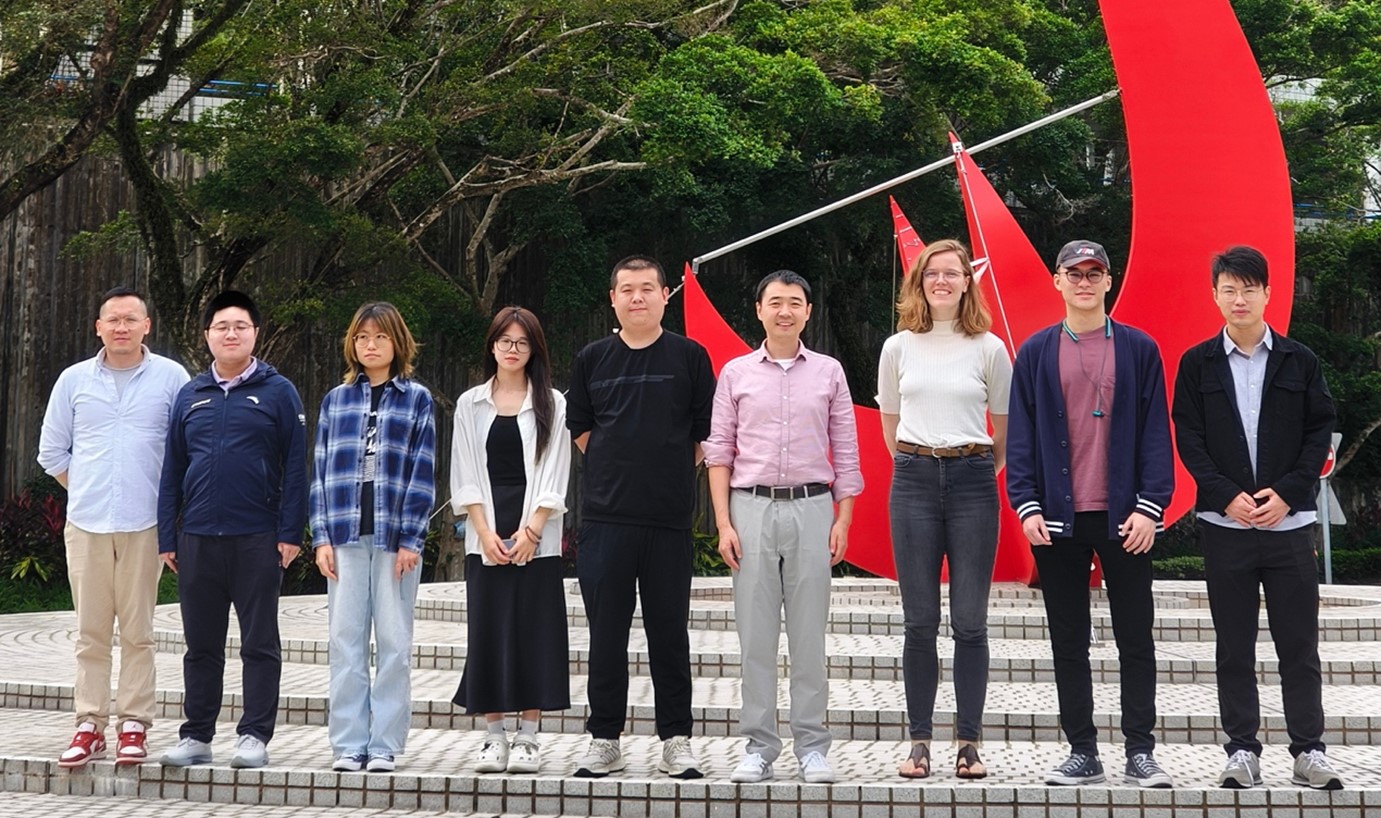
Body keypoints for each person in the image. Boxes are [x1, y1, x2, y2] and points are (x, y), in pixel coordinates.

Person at [1171, 245, 1342, 790]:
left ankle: (1309, 750)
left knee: (1299, 644)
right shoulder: (1197, 364)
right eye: (1229, 289)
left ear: (1268, 293)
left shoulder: (1300, 360)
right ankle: (1242, 749)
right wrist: (1224, 496)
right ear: (1215, 295)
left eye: (1249, 288)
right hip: (1226, 530)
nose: (1239, 298)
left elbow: (1319, 433)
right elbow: (1190, 440)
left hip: (1289, 529)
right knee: (1234, 645)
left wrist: (1289, 495)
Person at [1006, 240, 1174, 787]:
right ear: (1057, 281)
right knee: (1068, 638)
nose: (1083, 281)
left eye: (1094, 272)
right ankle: (1082, 750)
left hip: (1126, 519)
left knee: (1135, 636)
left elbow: (1155, 433)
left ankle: (1140, 751)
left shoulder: (1138, 348)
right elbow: (1022, 434)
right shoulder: (1034, 352)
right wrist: (1026, 503)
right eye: (1073, 272)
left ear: (1108, 280)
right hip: (1058, 520)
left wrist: (1151, 508)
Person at [703, 270, 862, 785]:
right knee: (756, 636)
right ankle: (758, 745)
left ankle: (812, 745)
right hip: (750, 509)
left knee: (810, 634)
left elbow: (846, 449)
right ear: (758, 310)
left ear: (808, 311)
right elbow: (718, 451)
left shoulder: (830, 372)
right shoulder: (735, 374)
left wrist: (844, 518)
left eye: (795, 302)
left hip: (814, 508)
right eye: (776, 302)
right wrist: (723, 523)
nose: (785, 311)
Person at [566, 255, 715, 778]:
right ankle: (604, 738)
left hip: (669, 522)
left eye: (647, 288)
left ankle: (676, 739)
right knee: (606, 635)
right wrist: (617, 470)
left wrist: (667, 471)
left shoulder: (691, 357)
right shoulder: (592, 358)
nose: (637, 298)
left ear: (664, 297)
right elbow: (581, 430)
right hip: (606, 522)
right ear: (612, 298)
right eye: (626, 289)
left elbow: (704, 432)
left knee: (669, 634)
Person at [875, 239, 1011, 780]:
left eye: (952, 273)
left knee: (971, 622)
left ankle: (969, 744)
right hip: (911, 480)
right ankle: (919, 743)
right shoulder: (897, 347)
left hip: (974, 479)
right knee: (920, 622)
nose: (942, 282)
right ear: (920, 282)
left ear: (966, 282)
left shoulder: (990, 348)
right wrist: (922, 460)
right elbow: (890, 423)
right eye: (933, 274)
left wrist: (970, 465)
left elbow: (1004, 425)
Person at [37, 287, 189, 768]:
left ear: (147, 326)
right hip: (87, 524)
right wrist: (84, 486)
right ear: (98, 327)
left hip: (147, 525)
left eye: (131, 319)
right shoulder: (73, 381)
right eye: (112, 320)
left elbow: (185, 451)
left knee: (140, 631)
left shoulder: (171, 378)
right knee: (91, 632)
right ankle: (89, 724)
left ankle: (134, 725)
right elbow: (52, 452)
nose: (121, 327)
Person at [156, 290, 308, 769]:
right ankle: (197, 734)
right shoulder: (190, 395)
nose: (231, 333)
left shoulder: (278, 391)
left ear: (254, 333)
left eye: (240, 326)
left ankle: (254, 736)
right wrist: (168, 537)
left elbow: (297, 468)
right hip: (197, 538)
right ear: (207, 336)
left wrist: (289, 533)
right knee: (201, 646)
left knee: (260, 643)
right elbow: (171, 469)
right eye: (222, 326)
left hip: (257, 538)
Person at [310, 302, 436, 773]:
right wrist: (320, 537)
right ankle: (348, 743)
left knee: (394, 643)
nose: (370, 345)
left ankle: (383, 743)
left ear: (396, 343)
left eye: (380, 337)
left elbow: (423, 475)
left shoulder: (416, 399)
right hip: (344, 535)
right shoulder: (335, 400)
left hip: (394, 541)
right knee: (344, 641)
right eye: (362, 337)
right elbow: (319, 473)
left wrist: (412, 539)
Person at [451, 306, 572, 774]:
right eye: (505, 341)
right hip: (486, 527)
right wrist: (484, 533)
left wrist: (533, 531)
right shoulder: (470, 403)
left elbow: (556, 473)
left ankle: (528, 737)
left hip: (535, 529)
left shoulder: (554, 403)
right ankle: (494, 735)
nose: (513, 349)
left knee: (535, 632)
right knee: (490, 629)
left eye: (522, 342)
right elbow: (464, 473)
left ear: (534, 348)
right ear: (493, 346)